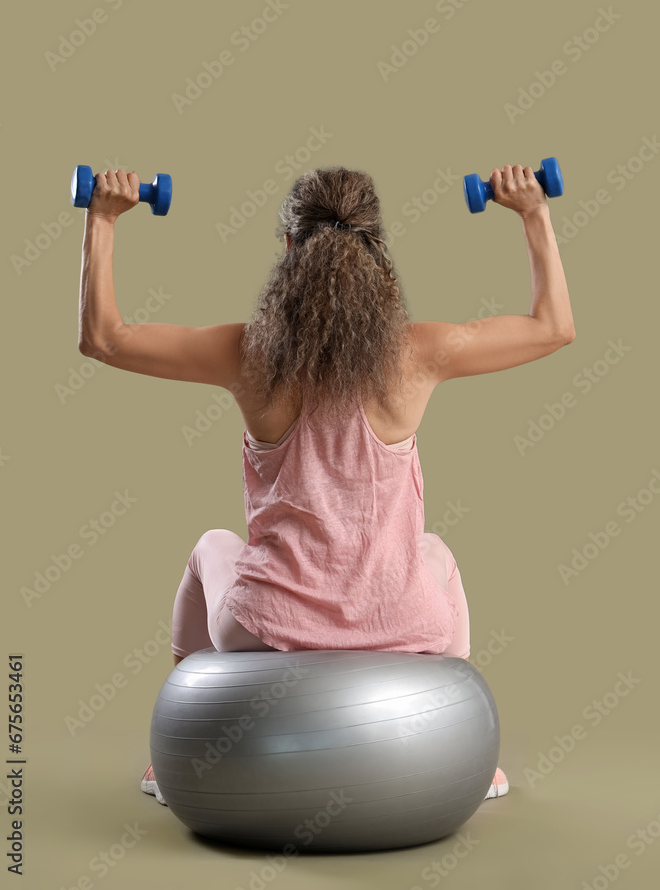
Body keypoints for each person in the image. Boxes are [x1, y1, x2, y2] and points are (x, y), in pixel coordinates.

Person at [78, 163, 576, 809]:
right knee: (439, 554)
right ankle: (468, 757)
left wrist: (104, 217)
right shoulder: (417, 353)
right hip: (400, 624)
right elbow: (553, 327)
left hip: (266, 626)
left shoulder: (247, 353)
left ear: (287, 249)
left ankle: (183, 743)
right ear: (376, 251)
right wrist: (532, 212)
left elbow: (103, 338)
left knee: (210, 546)